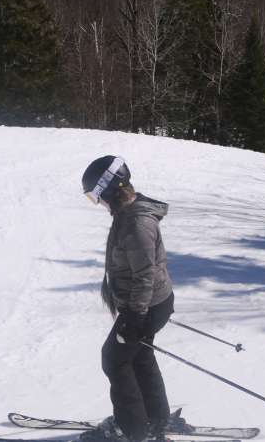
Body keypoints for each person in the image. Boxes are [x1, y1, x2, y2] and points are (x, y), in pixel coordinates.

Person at [78, 155, 186, 442]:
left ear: (110, 189)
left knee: (114, 360)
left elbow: (144, 275)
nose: (97, 202)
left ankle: (134, 432)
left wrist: (134, 317)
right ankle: (155, 420)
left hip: (146, 305)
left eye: (96, 196)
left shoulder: (137, 222)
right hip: (150, 303)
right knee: (139, 357)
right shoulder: (128, 212)